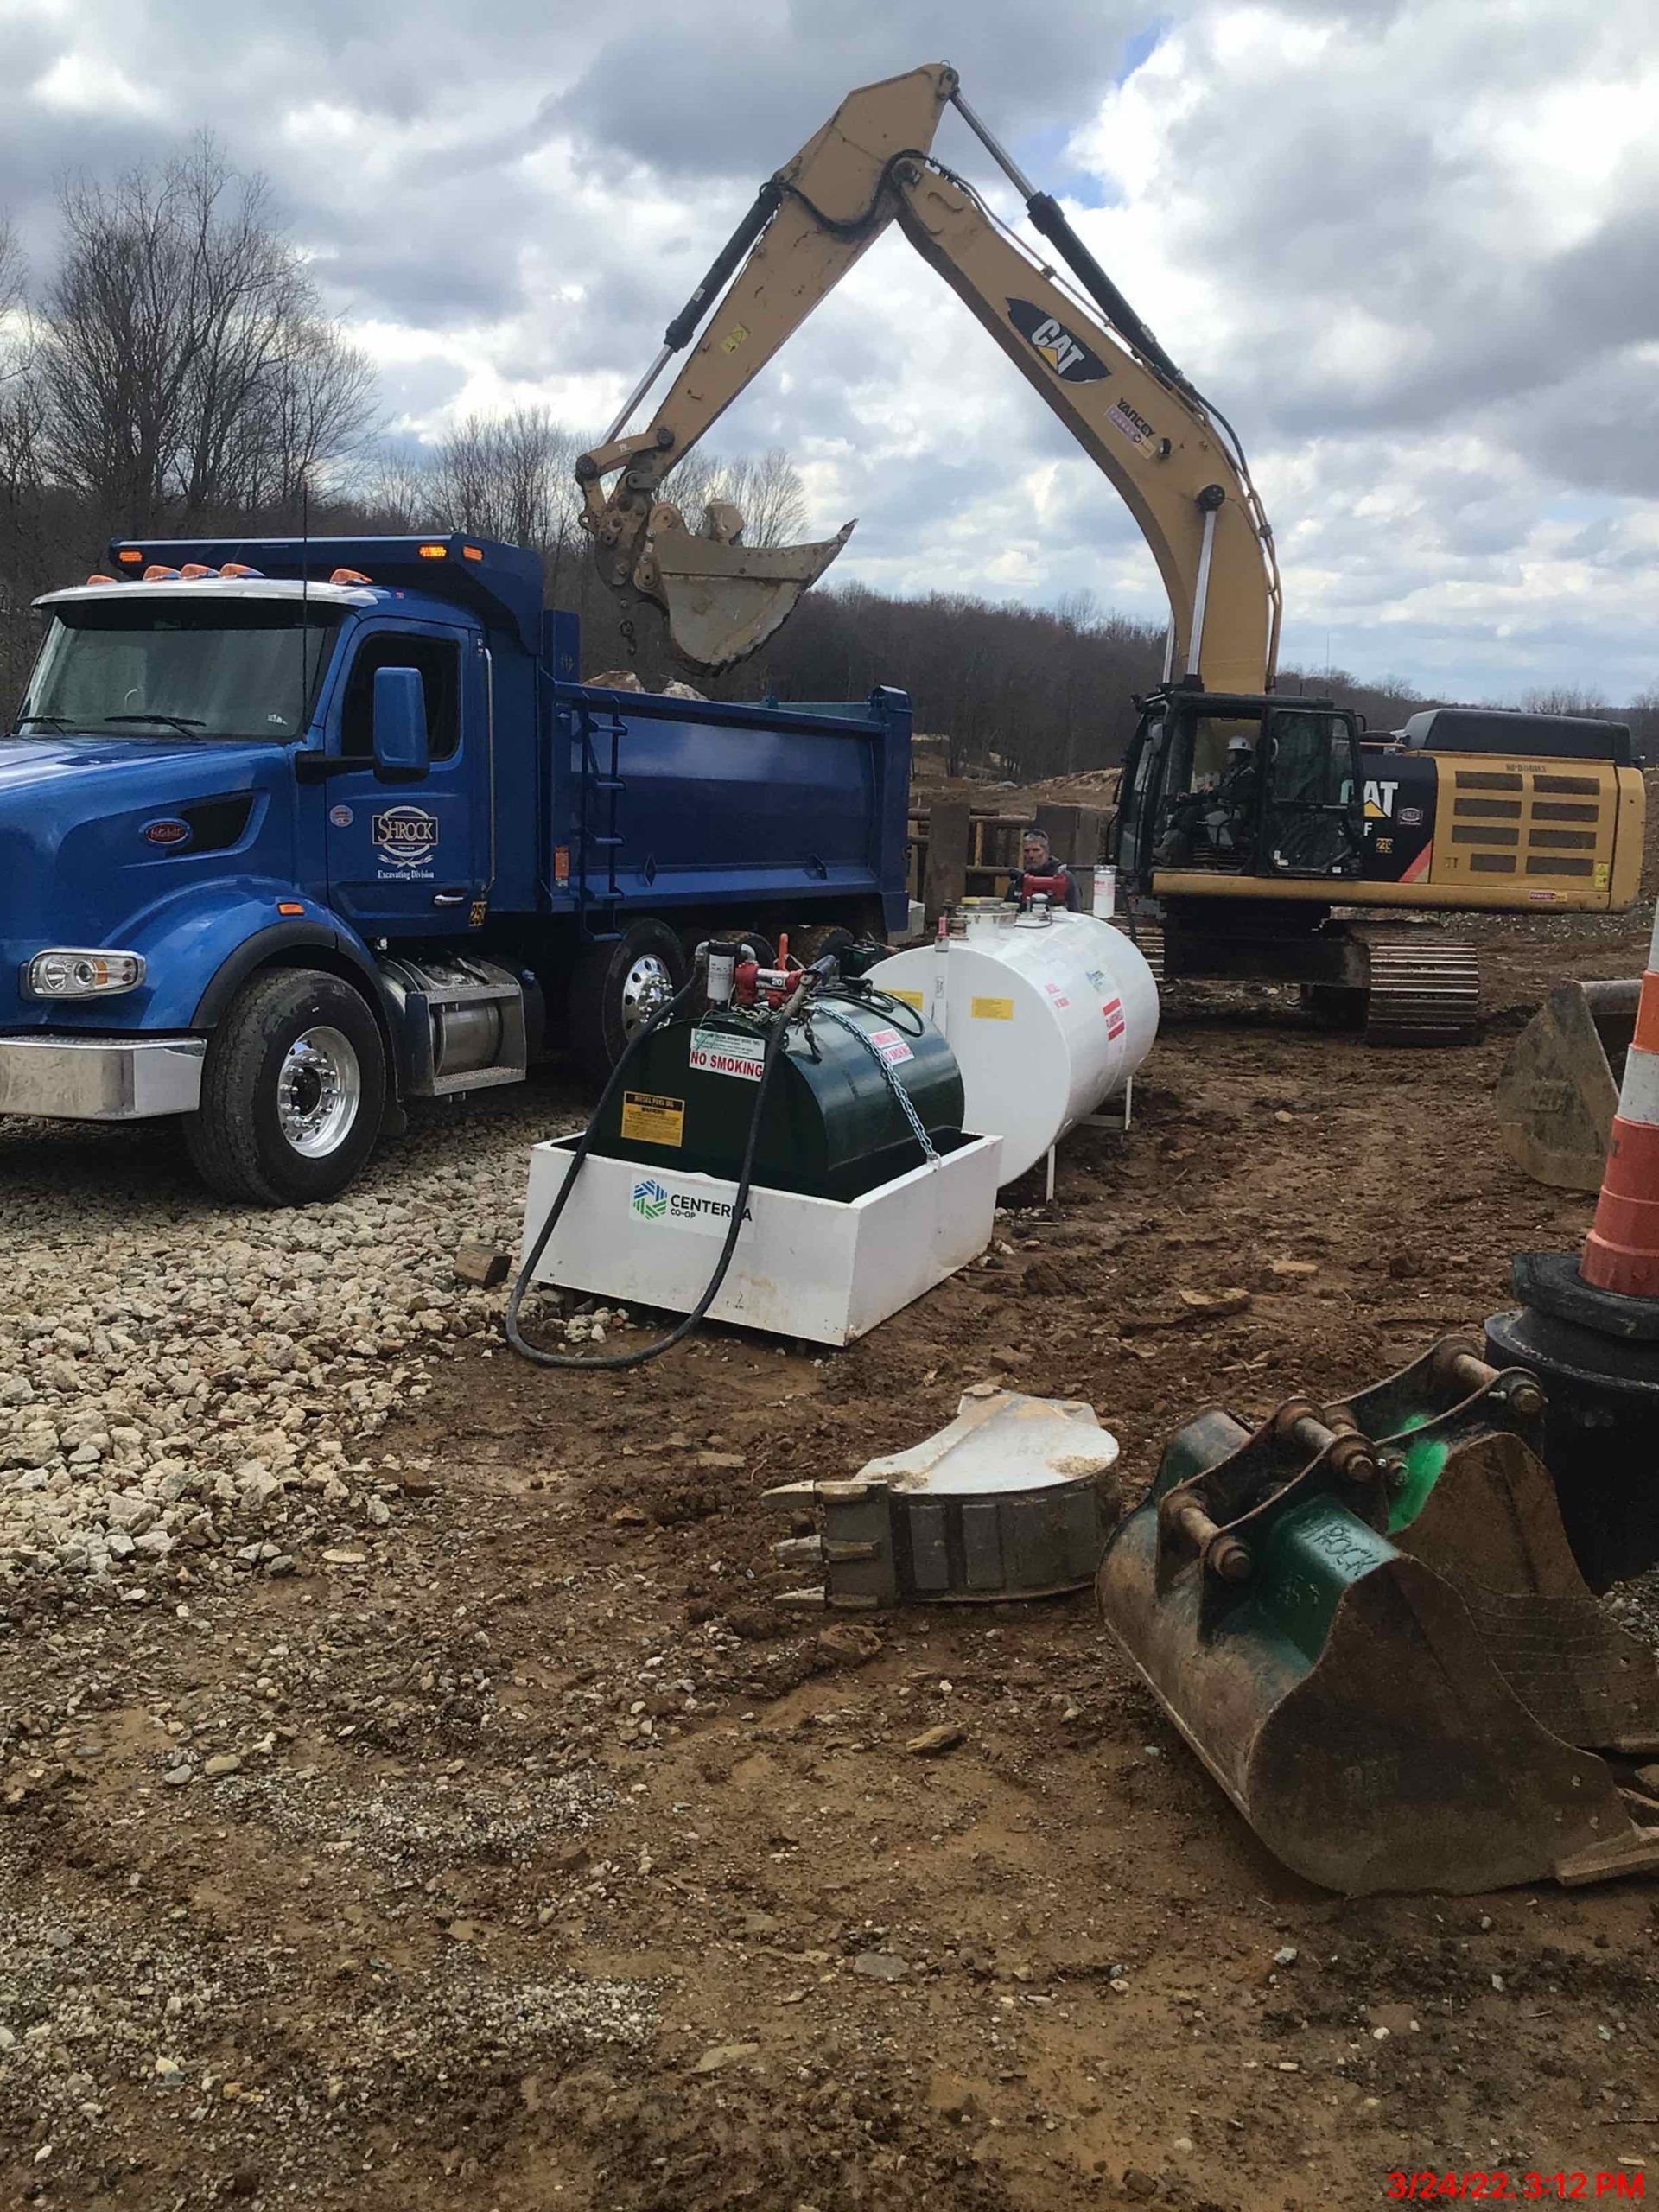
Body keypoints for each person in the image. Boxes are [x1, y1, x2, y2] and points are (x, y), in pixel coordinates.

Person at [1012, 827, 1081, 910]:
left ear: (1046, 851)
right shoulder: (1021, 880)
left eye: (1036, 850)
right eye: (1027, 851)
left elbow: (1075, 911)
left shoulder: (1064, 877)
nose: (1031, 856)